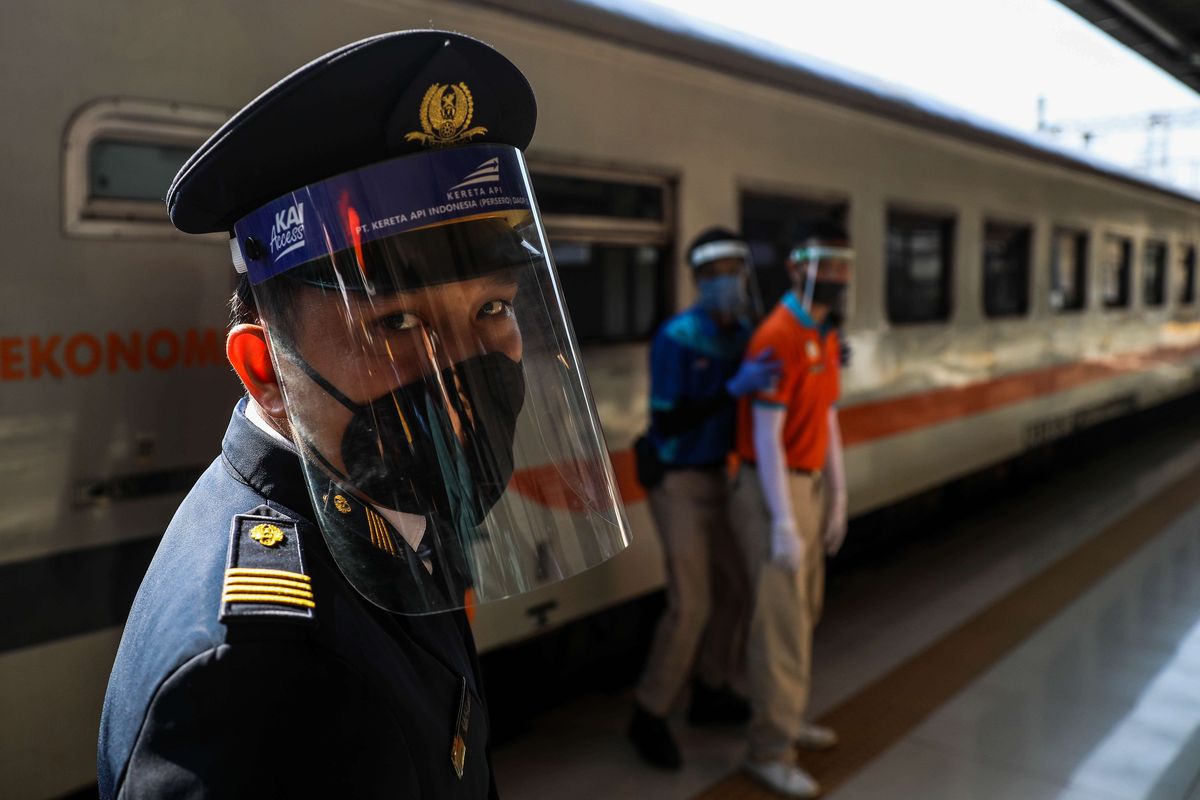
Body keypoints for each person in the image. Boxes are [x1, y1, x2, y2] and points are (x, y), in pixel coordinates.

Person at [97, 31, 632, 799]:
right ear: (266, 371)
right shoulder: (268, 674)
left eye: (492, 307)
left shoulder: (376, 515)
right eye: (398, 326)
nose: (462, 377)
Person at [628, 228, 780, 769]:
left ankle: (713, 686)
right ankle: (650, 711)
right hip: (680, 482)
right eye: (715, 275)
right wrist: (731, 389)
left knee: (737, 590)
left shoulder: (744, 332)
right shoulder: (677, 337)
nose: (727, 283)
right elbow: (668, 418)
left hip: (723, 478)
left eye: (734, 271)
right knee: (691, 603)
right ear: (698, 280)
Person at [731, 221, 853, 798]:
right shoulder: (777, 335)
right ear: (797, 269)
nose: (834, 280)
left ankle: (789, 715)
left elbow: (827, 415)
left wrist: (838, 494)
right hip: (770, 489)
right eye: (824, 268)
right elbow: (766, 432)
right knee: (779, 624)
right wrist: (783, 519)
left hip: (807, 488)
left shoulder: (823, 332)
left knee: (803, 612)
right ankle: (769, 748)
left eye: (841, 269)